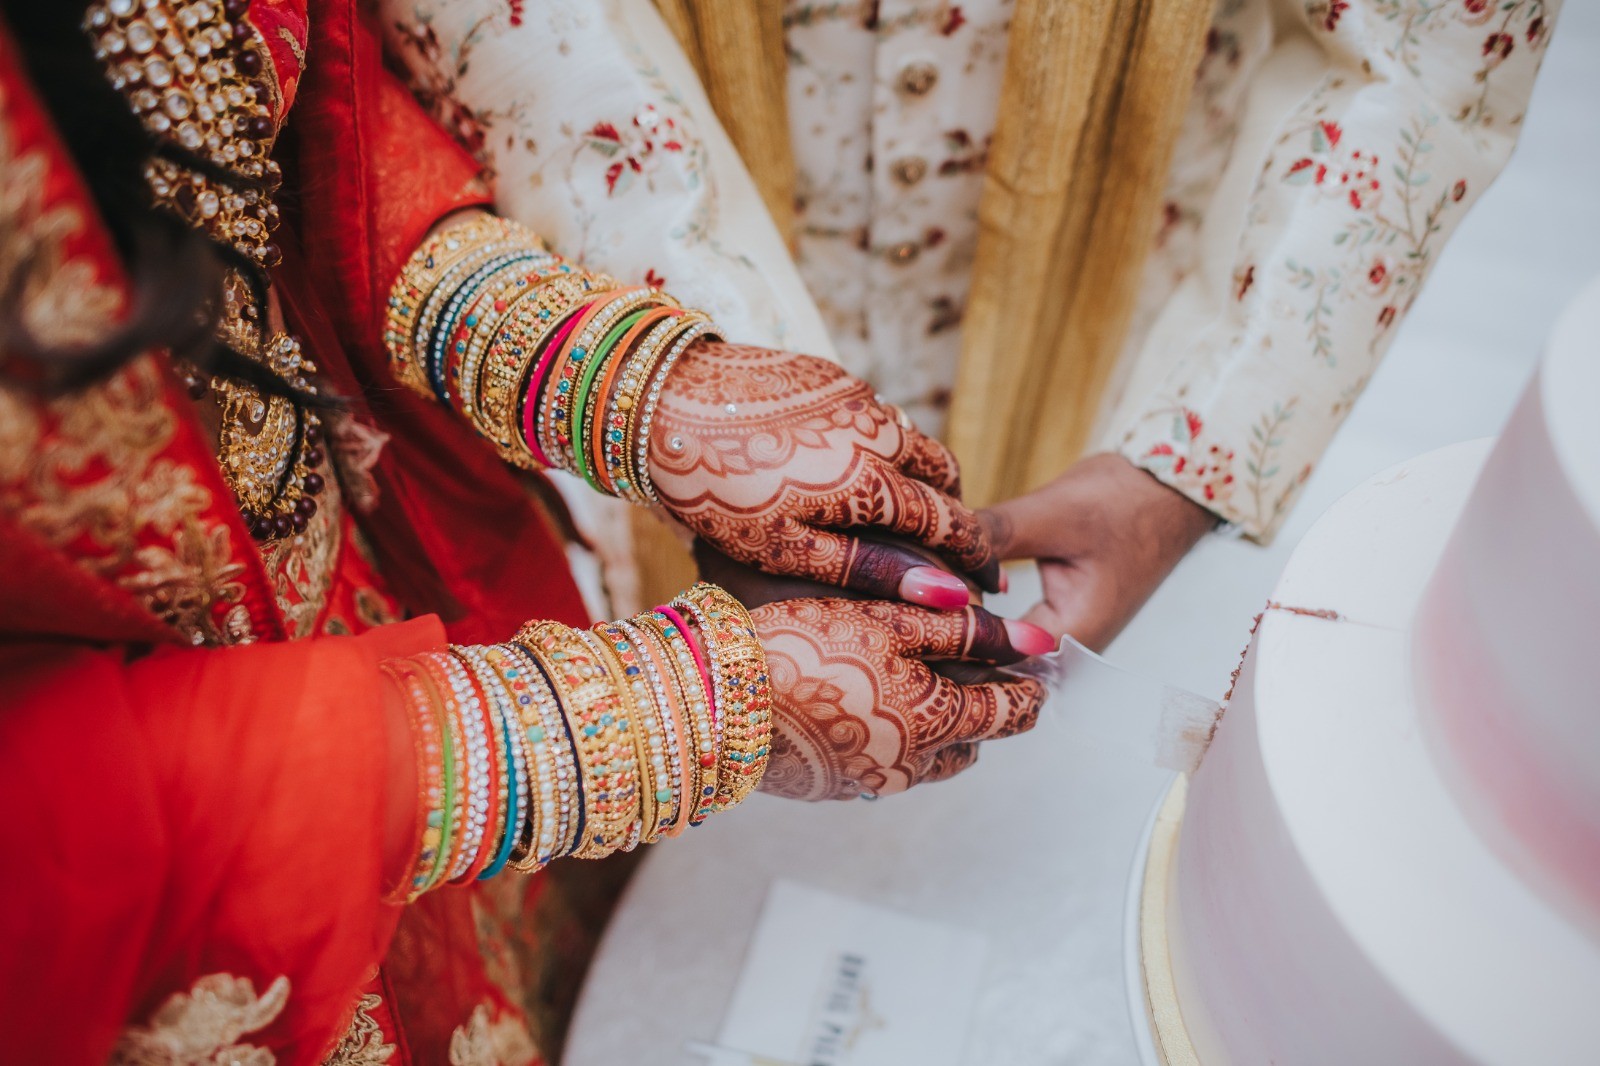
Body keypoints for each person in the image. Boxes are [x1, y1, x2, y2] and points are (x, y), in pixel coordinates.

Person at [0, 3, 1053, 1061]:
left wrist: (614, 378)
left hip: (379, 581)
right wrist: (645, 724)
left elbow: (287, 110)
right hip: (214, 837)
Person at [381, 0, 1560, 650]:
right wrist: (713, 412)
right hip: (646, 241)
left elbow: (1432, 41)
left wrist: (1188, 452)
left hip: (1127, 252)